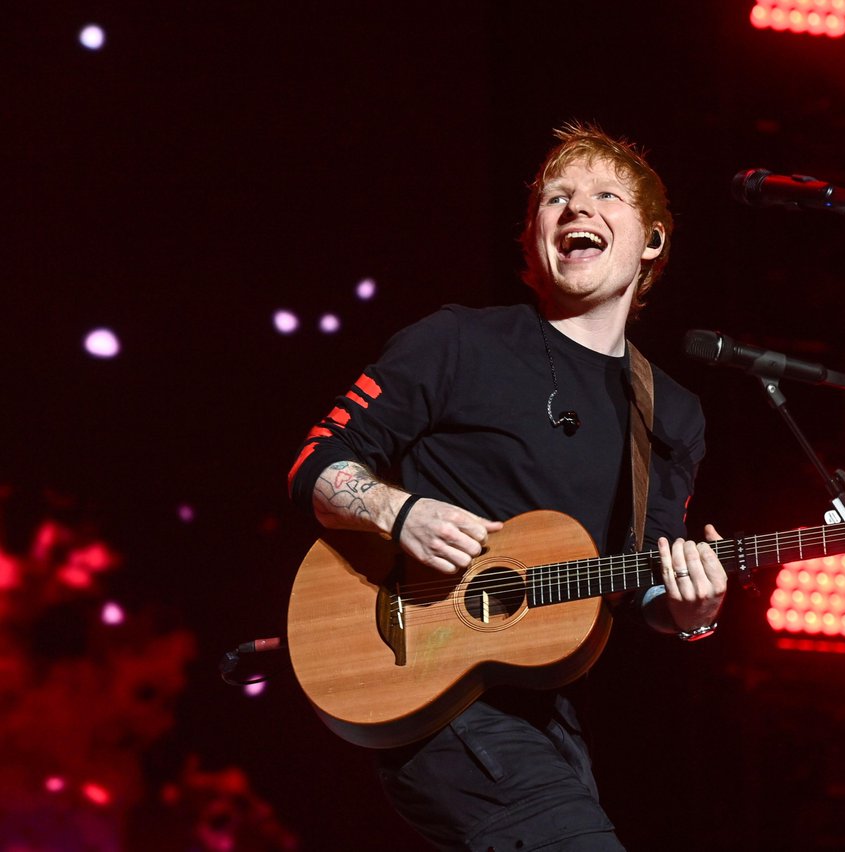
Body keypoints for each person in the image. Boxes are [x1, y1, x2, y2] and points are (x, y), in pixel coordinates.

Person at [287, 122, 727, 851]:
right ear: (533, 237)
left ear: (650, 242)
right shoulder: (457, 342)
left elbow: (646, 574)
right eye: (556, 198)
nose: (575, 210)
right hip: (429, 692)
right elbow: (316, 462)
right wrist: (401, 512)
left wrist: (694, 609)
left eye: (603, 195)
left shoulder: (671, 410)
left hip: (548, 710)